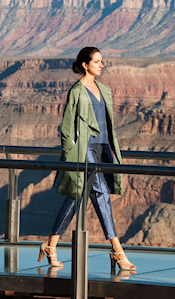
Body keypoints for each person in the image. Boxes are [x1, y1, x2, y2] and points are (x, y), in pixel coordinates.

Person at [38, 46, 136, 272]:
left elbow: (107, 124)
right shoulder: (77, 91)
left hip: (104, 148)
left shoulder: (103, 89)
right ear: (85, 64)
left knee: (77, 197)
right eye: (97, 61)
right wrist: (71, 155)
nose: (101, 65)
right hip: (85, 150)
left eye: (102, 61)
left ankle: (50, 244)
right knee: (101, 194)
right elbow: (66, 127)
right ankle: (117, 251)